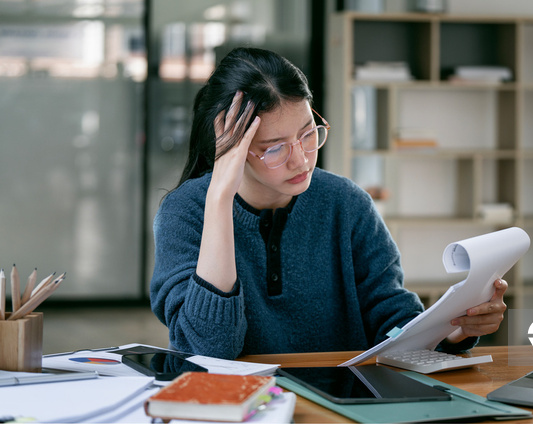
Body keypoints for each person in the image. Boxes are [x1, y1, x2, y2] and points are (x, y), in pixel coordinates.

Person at [150, 47, 508, 360]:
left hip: (345, 401)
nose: (301, 159)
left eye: (308, 134)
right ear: (232, 148)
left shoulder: (346, 203)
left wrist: (454, 331)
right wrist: (219, 200)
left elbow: (391, 317)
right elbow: (209, 349)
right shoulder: (186, 212)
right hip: (242, 406)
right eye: (274, 147)